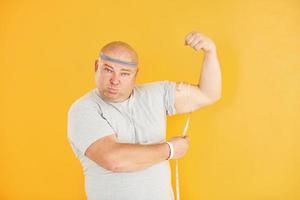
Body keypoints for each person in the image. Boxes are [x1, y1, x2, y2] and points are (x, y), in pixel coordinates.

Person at [67, 31, 222, 200]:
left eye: (124, 73)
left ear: (136, 74)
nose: (115, 80)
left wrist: (210, 52)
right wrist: (169, 149)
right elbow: (114, 160)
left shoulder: (156, 94)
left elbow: (208, 94)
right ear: (97, 67)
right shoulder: (83, 109)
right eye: (108, 70)